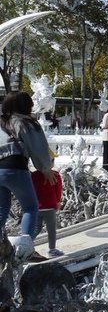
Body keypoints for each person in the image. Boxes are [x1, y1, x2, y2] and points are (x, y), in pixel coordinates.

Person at [0, 91, 56, 261]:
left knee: (1, 211)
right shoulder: (26, 123)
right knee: (30, 208)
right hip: (15, 168)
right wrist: (45, 168)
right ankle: (24, 251)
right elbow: (38, 149)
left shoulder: (1, 122)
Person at [32, 162, 63, 259]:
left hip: (37, 207)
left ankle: (25, 244)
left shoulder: (33, 175)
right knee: (51, 230)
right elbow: (58, 190)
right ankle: (52, 249)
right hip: (50, 206)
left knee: (36, 228)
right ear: (52, 163)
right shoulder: (55, 175)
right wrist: (58, 202)